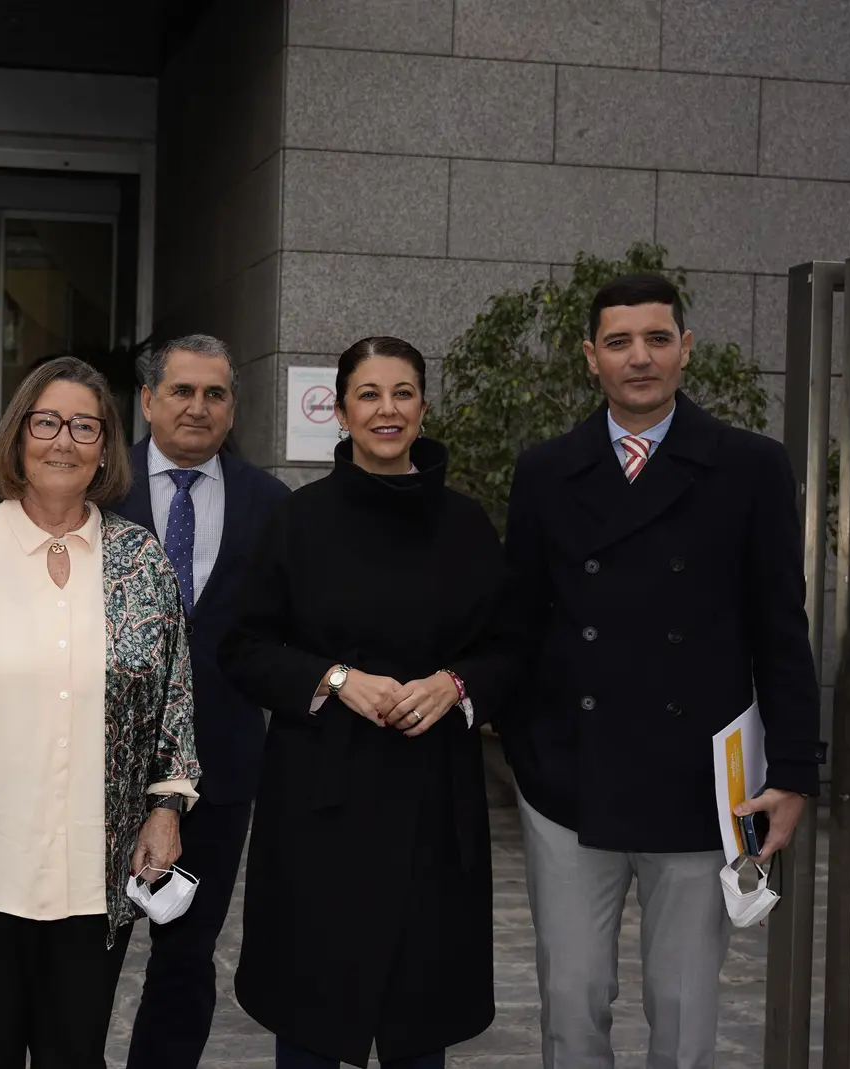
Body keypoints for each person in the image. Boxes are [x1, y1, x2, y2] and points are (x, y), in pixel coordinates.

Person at [498, 273, 824, 1069]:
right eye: (618, 342)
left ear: (685, 349)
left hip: (700, 783)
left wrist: (794, 771)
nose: (638, 357)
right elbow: (518, 624)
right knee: (571, 1003)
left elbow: (781, 630)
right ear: (589, 358)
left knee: (684, 1013)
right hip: (569, 780)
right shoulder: (546, 472)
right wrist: (521, 741)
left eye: (656, 338)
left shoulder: (750, 466)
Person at [0, 356, 201, 1068]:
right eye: (47, 421)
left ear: (104, 447)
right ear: (19, 436)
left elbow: (174, 698)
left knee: (74, 1054)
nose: (64, 439)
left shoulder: (140, 560)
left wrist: (166, 806)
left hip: (95, 874)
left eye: (84, 425)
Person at [220, 336, 523, 1069]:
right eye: (369, 394)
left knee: (420, 1024)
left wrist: (454, 685)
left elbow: (512, 649)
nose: (387, 409)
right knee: (313, 1018)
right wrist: (334, 680)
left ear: (423, 405)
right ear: (342, 410)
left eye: (403, 393)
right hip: (320, 805)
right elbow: (245, 648)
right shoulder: (298, 521)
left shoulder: (467, 525)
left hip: (435, 804)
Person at [110, 333, 289, 1069]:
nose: (198, 406)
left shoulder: (271, 503)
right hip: (101, 771)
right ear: (148, 400)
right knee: (85, 954)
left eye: (215, 393)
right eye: (181, 390)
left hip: (218, 776)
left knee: (184, 957)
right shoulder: (96, 490)